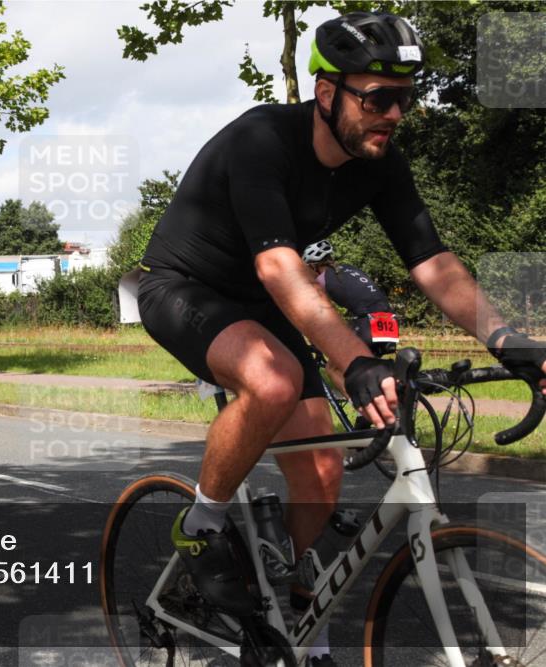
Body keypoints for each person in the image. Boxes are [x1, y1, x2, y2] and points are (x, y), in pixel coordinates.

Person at [138, 11, 546, 666]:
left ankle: (292, 616)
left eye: (405, 98)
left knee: (323, 473)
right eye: (378, 97)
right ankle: (201, 525)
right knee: (271, 379)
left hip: (268, 303)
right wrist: (352, 359)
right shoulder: (263, 140)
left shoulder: (378, 163)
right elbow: (277, 264)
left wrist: (508, 339)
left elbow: (434, 265)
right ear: (327, 93)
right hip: (184, 287)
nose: (394, 113)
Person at [302, 239, 398, 400]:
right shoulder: (348, 269)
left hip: (368, 322)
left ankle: (363, 407)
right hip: (389, 320)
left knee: (333, 369)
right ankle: (378, 413)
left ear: (313, 266)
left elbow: (318, 313)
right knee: (369, 370)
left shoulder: (322, 280)